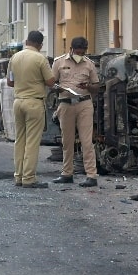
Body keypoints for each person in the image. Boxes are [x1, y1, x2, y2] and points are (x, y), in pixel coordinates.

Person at [7, 30, 55, 188]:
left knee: (19, 140)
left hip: (18, 101)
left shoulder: (15, 57)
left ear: (27, 41)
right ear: (40, 44)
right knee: (32, 142)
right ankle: (29, 178)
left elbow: (10, 82)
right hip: (34, 103)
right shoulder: (40, 58)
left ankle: (18, 176)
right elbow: (50, 81)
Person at [51, 37, 100, 188]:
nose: (79, 55)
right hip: (65, 104)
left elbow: (97, 86)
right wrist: (58, 88)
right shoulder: (59, 62)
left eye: (82, 52)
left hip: (84, 103)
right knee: (67, 141)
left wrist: (88, 87)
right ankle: (67, 173)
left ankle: (91, 175)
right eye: (77, 52)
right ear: (71, 49)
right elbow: (51, 83)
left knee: (86, 141)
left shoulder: (89, 64)